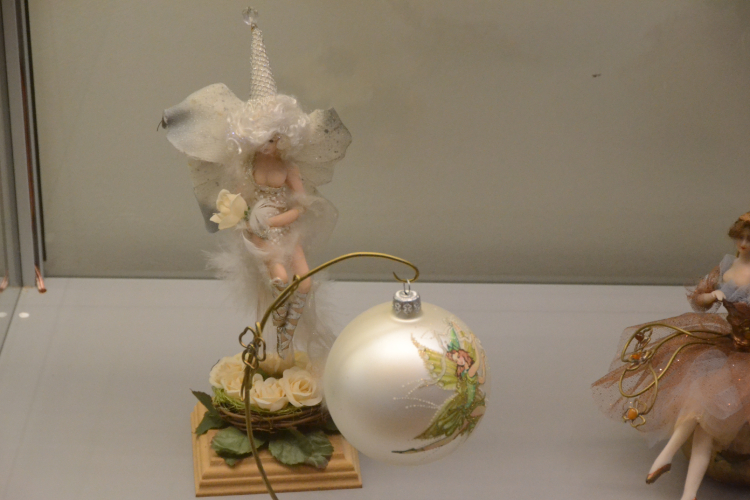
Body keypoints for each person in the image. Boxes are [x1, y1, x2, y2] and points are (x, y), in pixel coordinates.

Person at [162, 11, 351, 368]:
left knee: (304, 284)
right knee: (279, 279)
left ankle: (286, 332)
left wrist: (280, 220)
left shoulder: (289, 167)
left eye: (276, 138)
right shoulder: (247, 168)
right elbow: (236, 201)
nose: (270, 145)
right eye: (264, 138)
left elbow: (302, 205)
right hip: (261, 233)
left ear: (286, 136)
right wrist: (249, 222)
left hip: (286, 229)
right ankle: (278, 326)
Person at [592, 212, 750, 500]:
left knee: (705, 418)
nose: (743, 244)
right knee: (700, 411)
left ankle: (668, 461)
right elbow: (699, 300)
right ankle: (686, 491)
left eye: (749, 239)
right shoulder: (727, 266)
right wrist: (712, 296)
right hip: (732, 347)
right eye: (740, 237)